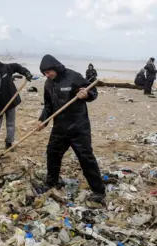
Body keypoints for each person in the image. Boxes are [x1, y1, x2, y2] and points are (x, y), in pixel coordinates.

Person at [36, 54, 105, 202]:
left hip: (78, 127)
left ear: (54, 67)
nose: (47, 75)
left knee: (86, 158)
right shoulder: (48, 84)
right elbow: (48, 106)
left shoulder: (74, 77)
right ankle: (52, 182)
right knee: (52, 153)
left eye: (49, 72)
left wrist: (86, 94)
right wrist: (42, 121)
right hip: (59, 127)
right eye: (45, 74)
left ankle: (99, 191)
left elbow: (93, 92)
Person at [0, 62, 33, 151]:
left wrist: (26, 72)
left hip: (11, 101)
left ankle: (9, 143)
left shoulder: (4, 69)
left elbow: (16, 67)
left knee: (10, 123)